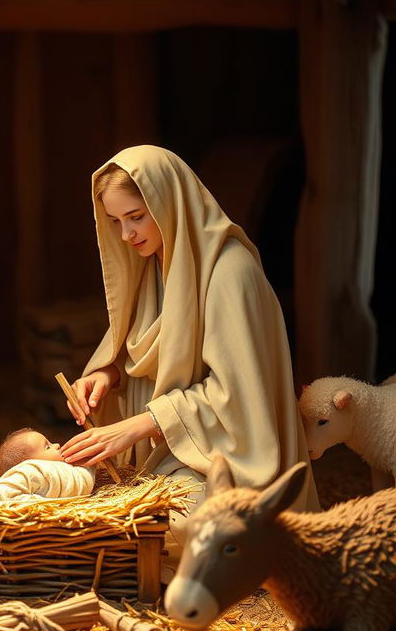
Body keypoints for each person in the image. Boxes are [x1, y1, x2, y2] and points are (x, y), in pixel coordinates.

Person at [59, 146, 319, 575]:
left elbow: (239, 396)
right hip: (163, 453)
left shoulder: (230, 273)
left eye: (137, 216)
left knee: (173, 525)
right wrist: (107, 372)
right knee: (91, 502)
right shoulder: (152, 266)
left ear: (169, 202)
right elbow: (135, 346)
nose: (127, 235)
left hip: (222, 458)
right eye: (116, 222)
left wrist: (144, 423)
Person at [0, 427, 95, 507]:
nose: (57, 445)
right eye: (47, 447)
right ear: (29, 463)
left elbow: (82, 481)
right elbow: (1, 494)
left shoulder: (58, 472)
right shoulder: (31, 471)